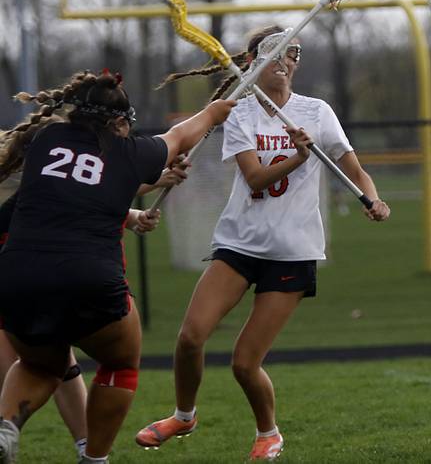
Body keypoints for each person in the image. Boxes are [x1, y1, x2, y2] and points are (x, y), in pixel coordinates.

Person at [136, 26, 391, 461]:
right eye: (274, 52)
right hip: (239, 244)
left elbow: (352, 166)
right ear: (254, 62)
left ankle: (269, 433)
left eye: (292, 52)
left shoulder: (317, 112)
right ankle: (183, 415)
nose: (285, 60)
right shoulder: (241, 114)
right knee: (190, 338)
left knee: (243, 362)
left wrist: (374, 197)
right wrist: (298, 157)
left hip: (292, 250)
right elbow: (255, 178)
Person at [0, 70, 234, 463]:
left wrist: (153, 183)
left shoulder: (45, 140)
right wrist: (213, 113)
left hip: (17, 278)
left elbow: (87, 182)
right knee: (121, 361)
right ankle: (94, 458)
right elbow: (178, 137)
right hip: (88, 277)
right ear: (119, 122)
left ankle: (5, 428)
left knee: (40, 364)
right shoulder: (129, 151)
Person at [0, 153, 188, 461]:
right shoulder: (64, 175)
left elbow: (86, 198)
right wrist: (158, 177)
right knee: (47, 366)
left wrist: (132, 215)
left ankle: (82, 445)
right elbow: (97, 186)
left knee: (55, 365)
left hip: (23, 279)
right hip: (26, 276)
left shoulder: (52, 178)